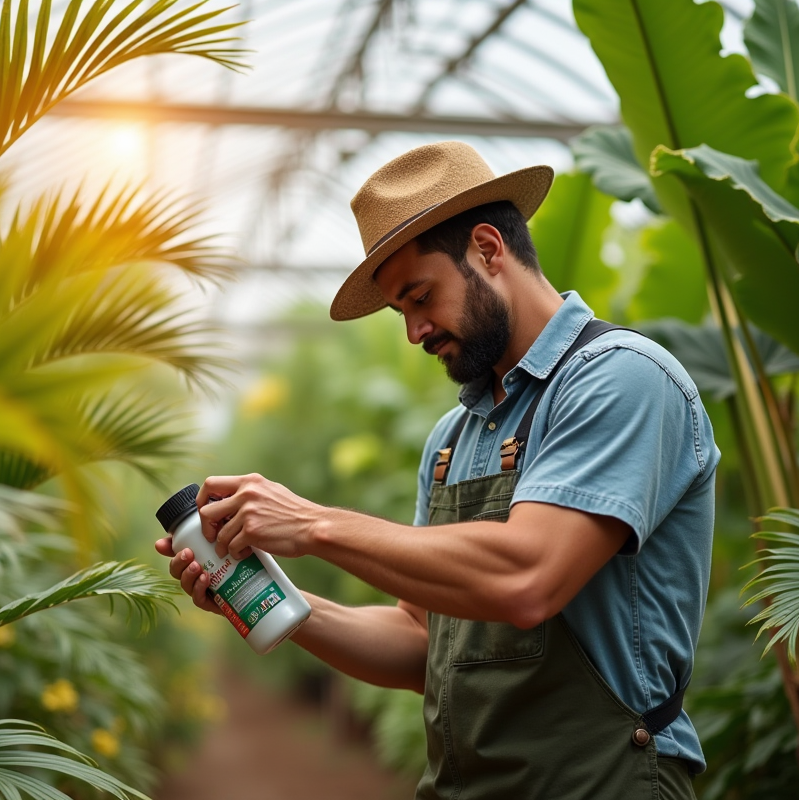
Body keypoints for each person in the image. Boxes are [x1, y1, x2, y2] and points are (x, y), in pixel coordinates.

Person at [154, 141, 718, 799]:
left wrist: (312, 525)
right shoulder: (455, 438)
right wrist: (274, 605)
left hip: (600, 782)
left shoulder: (620, 380)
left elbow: (528, 576)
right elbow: (421, 642)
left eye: (420, 297)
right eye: (401, 311)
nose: (414, 332)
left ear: (487, 249)